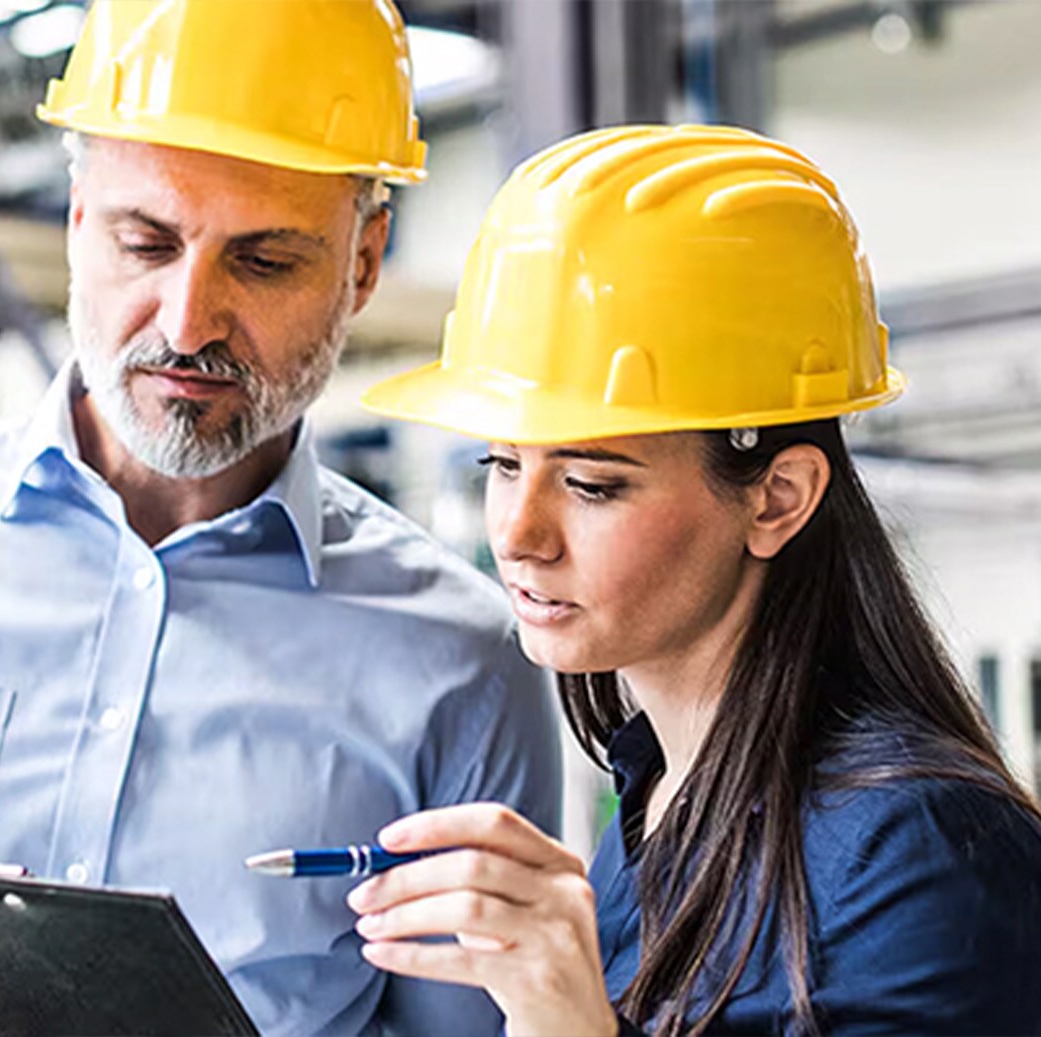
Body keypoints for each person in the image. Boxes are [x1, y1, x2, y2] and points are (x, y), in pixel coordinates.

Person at [0, 3, 561, 1035]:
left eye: (264, 261)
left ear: (363, 263)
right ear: (79, 219)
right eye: (147, 242)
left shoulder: (463, 662)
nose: (188, 320)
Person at [350, 123, 1041, 1036]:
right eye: (503, 464)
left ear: (777, 498)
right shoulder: (656, 803)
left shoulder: (916, 851)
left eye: (591, 484)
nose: (517, 536)